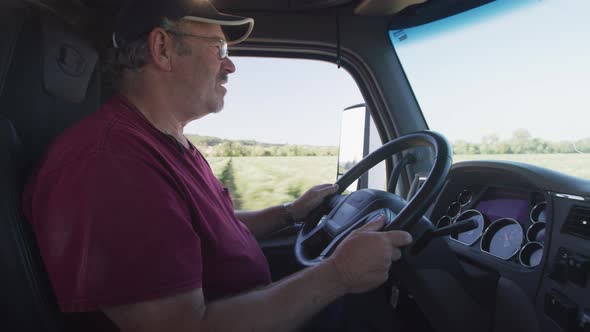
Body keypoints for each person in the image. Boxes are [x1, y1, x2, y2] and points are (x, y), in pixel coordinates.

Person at [22, 0, 413, 331]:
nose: (230, 67)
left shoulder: (165, 143)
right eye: (220, 49)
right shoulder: (110, 165)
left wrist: (288, 213)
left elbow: (206, 229)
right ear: (162, 49)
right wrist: (338, 275)